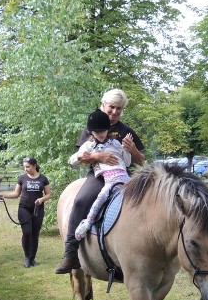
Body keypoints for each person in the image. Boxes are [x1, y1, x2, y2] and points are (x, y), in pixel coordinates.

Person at [56, 88, 145, 274]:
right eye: (112, 107)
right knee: (81, 200)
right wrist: (100, 155)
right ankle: (70, 253)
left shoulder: (126, 131)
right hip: (98, 175)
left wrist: (132, 149)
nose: (114, 112)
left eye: (119, 109)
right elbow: (81, 157)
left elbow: (140, 160)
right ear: (103, 104)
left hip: (124, 175)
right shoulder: (92, 125)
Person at [72, 109, 132, 240]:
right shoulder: (88, 145)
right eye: (97, 132)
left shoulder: (115, 143)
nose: (101, 134)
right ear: (91, 132)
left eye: (103, 131)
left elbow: (127, 163)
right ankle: (87, 222)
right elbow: (72, 160)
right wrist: (82, 156)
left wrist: (127, 150)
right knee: (101, 197)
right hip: (109, 179)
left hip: (125, 177)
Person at [0, 157, 52, 268]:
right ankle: (27, 257)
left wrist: (41, 199)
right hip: (24, 209)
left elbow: (48, 194)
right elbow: (16, 194)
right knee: (27, 233)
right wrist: (3, 195)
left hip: (38, 209)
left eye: (28, 166)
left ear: (34, 165)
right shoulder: (22, 178)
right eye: (24, 167)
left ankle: (33, 258)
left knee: (35, 234)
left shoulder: (43, 179)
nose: (26, 169)